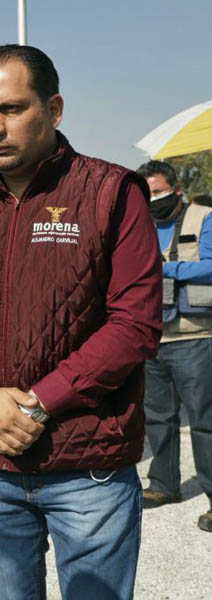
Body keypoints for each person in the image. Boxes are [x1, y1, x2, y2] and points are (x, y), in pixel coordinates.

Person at [0, 44, 162, 599]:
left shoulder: (111, 193)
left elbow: (135, 325)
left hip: (88, 469)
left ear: (54, 110)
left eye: (11, 108)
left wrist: (37, 401)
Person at [136, 159, 212, 533]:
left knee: (205, 422)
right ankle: (164, 486)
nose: (153, 199)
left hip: (195, 336)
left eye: (159, 192)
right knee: (158, 418)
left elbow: (211, 264)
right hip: (153, 337)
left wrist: (166, 268)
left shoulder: (204, 217)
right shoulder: (140, 222)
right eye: (146, 193)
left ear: (177, 190)